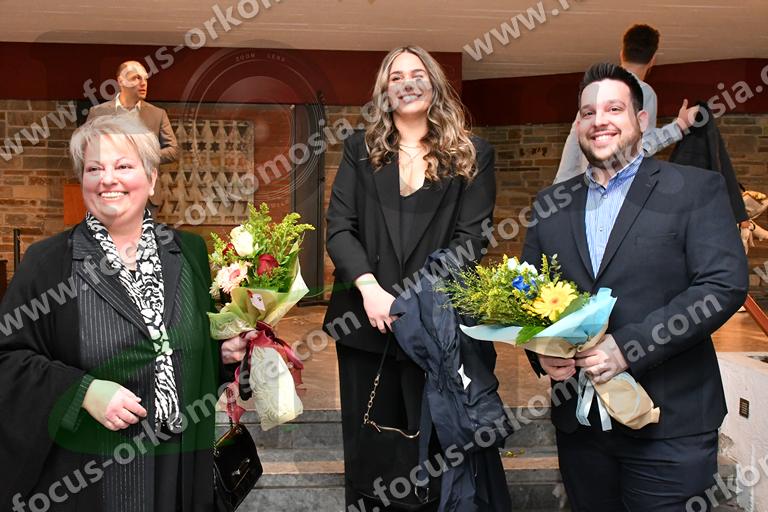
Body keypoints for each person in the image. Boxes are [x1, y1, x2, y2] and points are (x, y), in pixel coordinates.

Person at [522, 63, 748, 511]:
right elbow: (528, 297)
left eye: (614, 109)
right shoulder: (550, 205)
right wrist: (541, 351)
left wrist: (629, 348)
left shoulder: (696, 189)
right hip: (581, 430)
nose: (599, 121)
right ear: (577, 126)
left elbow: (722, 286)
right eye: (588, 112)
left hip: (671, 425)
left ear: (641, 120)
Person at [0, 115, 246, 511]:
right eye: (94, 169)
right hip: (93, 479)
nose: (107, 179)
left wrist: (224, 355)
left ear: (151, 178)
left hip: (178, 472)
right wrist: (81, 391)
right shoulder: (48, 264)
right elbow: (8, 360)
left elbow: (190, 357)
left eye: (123, 166)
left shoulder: (189, 252)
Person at [323, 46, 497, 509]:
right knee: (371, 456)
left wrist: (413, 303)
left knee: (434, 457)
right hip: (365, 326)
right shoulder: (359, 150)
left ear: (434, 84)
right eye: (396, 76)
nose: (407, 83)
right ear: (385, 91)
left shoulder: (473, 154)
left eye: (417, 73)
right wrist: (369, 289)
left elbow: (471, 240)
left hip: (435, 330)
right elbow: (339, 228)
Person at [554, 24, 699, 184]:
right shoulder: (643, 92)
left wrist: (560, 185)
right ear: (652, 60)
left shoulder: (595, 89)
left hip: (587, 186)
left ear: (622, 53)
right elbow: (641, 147)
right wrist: (679, 126)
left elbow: (574, 141)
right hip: (617, 186)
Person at [87, 61, 179, 165]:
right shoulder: (98, 113)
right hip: (109, 174)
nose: (143, 83)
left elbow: (173, 151)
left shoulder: (158, 114)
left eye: (145, 79)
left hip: (144, 174)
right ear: (121, 81)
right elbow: (85, 149)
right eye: (136, 78)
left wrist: (142, 157)